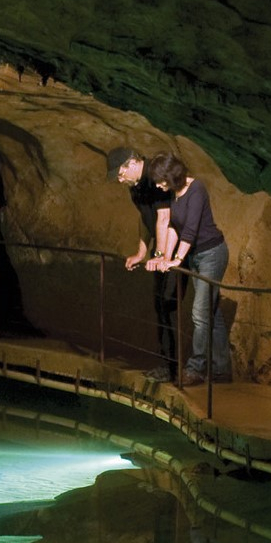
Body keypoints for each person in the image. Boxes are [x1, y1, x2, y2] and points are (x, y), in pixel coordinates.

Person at [148, 152, 232, 384]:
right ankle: (222, 370)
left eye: (160, 180)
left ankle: (195, 369)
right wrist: (167, 256)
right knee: (210, 313)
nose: (157, 185)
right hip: (196, 256)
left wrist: (177, 259)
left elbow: (191, 229)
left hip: (212, 254)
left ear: (170, 176)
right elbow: (175, 227)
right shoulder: (176, 194)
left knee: (199, 313)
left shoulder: (197, 189)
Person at [106, 147, 180, 382]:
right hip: (161, 251)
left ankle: (173, 367)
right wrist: (141, 252)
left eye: (120, 174)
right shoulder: (135, 187)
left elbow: (164, 218)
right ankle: (168, 364)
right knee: (160, 304)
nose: (119, 180)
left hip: (175, 249)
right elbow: (145, 218)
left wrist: (159, 254)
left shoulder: (154, 176)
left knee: (167, 304)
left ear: (131, 164)